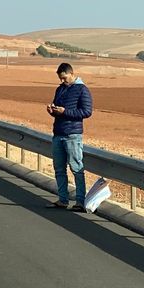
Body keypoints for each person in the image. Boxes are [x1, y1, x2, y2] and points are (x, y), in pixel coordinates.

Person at [45, 62, 93, 212]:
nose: (62, 81)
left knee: (76, 168)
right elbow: (58, 110)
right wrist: (52, 111)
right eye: (60, 78)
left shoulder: (82, 90)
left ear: (72, 74)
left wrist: (65, 112)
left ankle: (80, 201)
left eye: (64, 78)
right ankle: (62, 199)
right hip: (58, 133)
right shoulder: (60, 89)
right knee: (59, 169)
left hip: (73, 135)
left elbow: (86, 112)